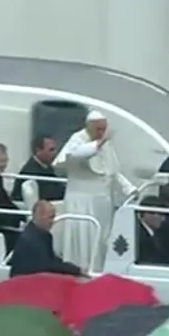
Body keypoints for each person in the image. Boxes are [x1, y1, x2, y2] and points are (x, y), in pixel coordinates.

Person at [52, 109, 136, 270]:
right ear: (88, 127)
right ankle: (81, 269)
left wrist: (129, 188)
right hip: (82, 203)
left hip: (102, 203)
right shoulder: (78, 139)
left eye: (104, 129)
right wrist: (98, 144)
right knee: (84, 240)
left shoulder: (104, 142)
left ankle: (98, 270)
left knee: (101, 240)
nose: (102, 132)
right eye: (98, 129)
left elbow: (112, 171)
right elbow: (74, 155)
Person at [9, 201, 83, 278]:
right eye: (51, 217)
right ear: (39, 216)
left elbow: (51, 262)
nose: (53, 221)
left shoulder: (41, 235)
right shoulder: (31, 240)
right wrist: (76, 270)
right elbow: (48, 265)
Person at [11, 135, 66, 207]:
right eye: (51, 150)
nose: (55, 153)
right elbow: (49, 194)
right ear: (38, 150)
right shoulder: (31, 172)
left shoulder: (46, 167)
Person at [136, 195, 169, 264]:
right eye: (160, 214)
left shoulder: (156, 234)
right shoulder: (139, 236)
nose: (163, 219)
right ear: (146, 214)